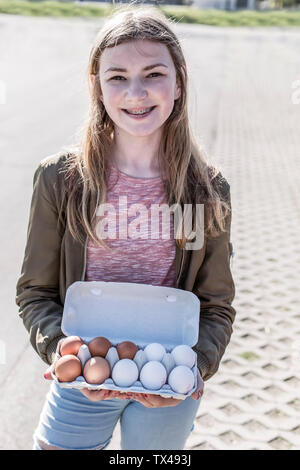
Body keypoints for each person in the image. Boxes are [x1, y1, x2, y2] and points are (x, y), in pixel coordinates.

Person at [16, 4, 235, 450]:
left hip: (169, 377)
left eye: (153, 73)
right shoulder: (62, 180)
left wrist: (195, 366)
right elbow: (35, 293)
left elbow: (215, 305)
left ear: (179, 83)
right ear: (97, 86)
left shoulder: (205, 190)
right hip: (85, 373)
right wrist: (65, 351)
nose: (136, 92)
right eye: (117, 76)